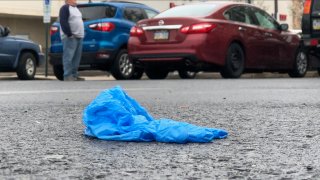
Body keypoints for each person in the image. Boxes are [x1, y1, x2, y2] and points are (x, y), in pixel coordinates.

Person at [59, 0, 85, 81]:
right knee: (68, 57)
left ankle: (74, 75)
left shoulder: (76, 9)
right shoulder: (65, 8)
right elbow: (63, 21)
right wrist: (69, 34)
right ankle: (67, 76)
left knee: (76, 58)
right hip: (70, 37)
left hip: (79, 37)